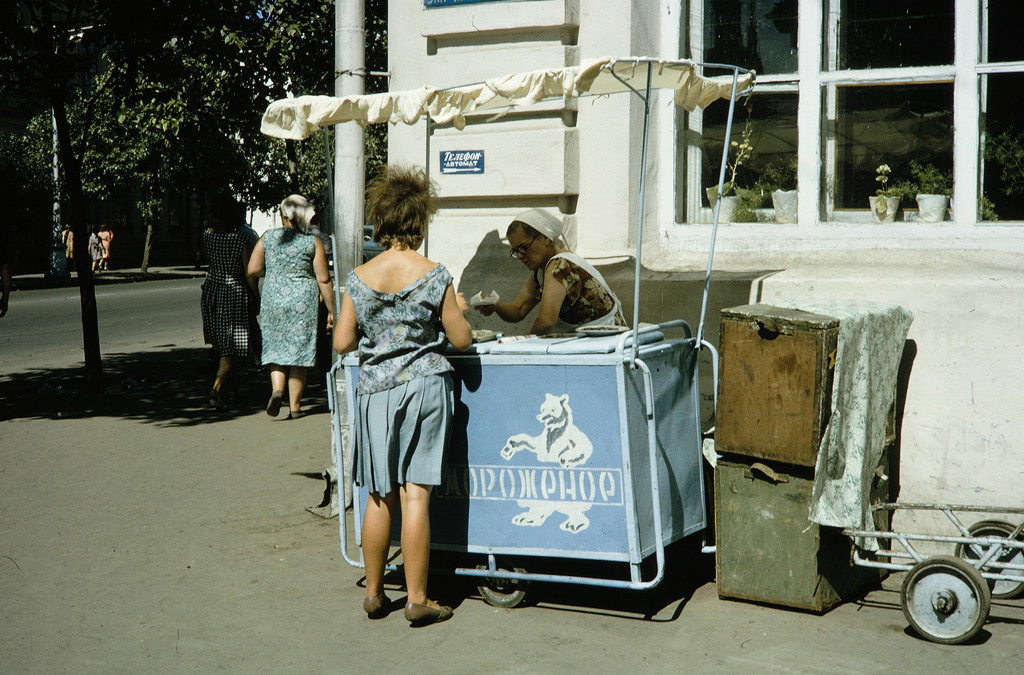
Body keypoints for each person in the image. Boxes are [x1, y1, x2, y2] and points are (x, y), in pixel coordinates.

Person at [333, 164, 472, 627]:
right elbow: (462, 340)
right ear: (419, 222)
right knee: (416, 495)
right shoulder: (434, 274)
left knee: (378, 494)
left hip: (375, 392)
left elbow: (341, 342)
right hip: (424, 387)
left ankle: (374, 593)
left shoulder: (358, 276)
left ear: (382, 222)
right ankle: (417, 598)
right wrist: (460, 310)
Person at [247, 194, 334, 419]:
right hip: (302, 303)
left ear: (283, 216)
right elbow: (323, 279)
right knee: (299, 354)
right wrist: (333, 311)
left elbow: (253, 270)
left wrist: (271, 279)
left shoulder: (267, 237)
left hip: (273, 299)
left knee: (275, 351)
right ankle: (295, 407)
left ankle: (277, 390)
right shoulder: (311, 242)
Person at [476, 208, 626, 334]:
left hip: (607, 339)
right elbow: (519, 310)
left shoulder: (560, 266)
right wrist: (496, 306)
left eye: (524, 247)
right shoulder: (540, 272)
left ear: (545, 238)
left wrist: (523, 347)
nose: (520, 256)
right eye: (515, 251)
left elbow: (546, 322)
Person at [201, 195, 253, 410]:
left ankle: (234, 393)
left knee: (222, 345)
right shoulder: (240, 240)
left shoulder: (207, 236)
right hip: (233, 293)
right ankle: (216, 389)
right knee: (230, 349)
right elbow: (249, 272)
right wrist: (255, 294)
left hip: (212, 291)